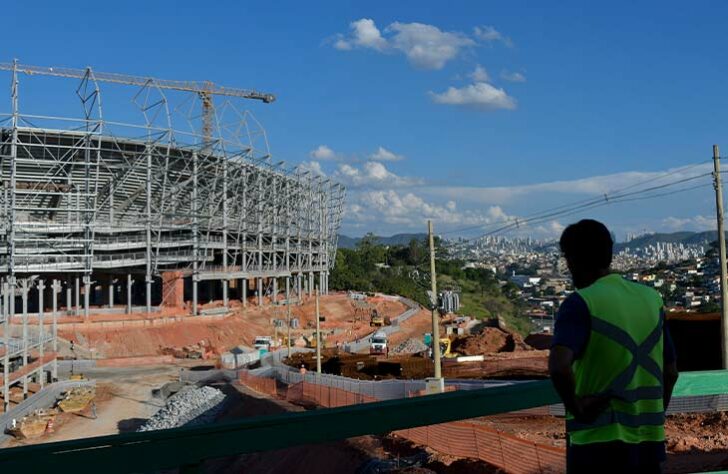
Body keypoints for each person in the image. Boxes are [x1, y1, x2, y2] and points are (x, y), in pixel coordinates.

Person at [549, 219, 679, 474]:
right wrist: (654, 414)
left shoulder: (580, 303)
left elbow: (559, 366)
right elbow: (671, 371)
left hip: (597, 445)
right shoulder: (652, 299)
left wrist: (578, 409)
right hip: (649, 444)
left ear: (573, 260)